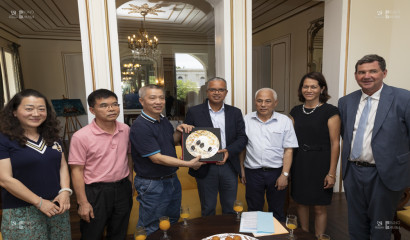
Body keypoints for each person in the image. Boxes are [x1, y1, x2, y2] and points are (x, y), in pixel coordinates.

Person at [338, 54, 410, 240]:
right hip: (353, 172)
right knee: (356, 224)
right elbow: (345, 134)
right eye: (361, 72)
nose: (366, 76)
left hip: (385, 174)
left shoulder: (404, 98)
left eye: (373, 71)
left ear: (384, 73)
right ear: (355, 75)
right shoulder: (345, 102)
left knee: (381, 226)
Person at [130, 84, 205, 235]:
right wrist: (188, 164)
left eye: (161, 98)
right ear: (141, 101)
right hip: (152, 183)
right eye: (152, 98)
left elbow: (169, 143)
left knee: (171, 221)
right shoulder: (140, 126)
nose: (158, 101)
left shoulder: (162, 120)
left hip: (171, 179)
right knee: (150, 226)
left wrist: (178, 132)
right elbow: (156, 158)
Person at [0, 89, 71, 239]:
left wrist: (65, 191)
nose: (36, 113)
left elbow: (62, 165)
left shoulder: (53, 136)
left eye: (41, 109)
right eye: (29, 109)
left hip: (56, 207)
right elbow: (5, 179)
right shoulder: (4, 140)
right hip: (21, 210)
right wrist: (39, 202)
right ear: (14, 112)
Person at [69, 89, 133, 240]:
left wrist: (130, 182)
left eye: (114, 104)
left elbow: (128, 157)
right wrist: (82, 202)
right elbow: (76, 171)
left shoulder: (125, 130)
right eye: (104, 105)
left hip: (122, 188)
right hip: (95, 192)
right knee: (92, 233)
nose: (111, 109)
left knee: (119, 232)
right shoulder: (81, 136)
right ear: (92, 110)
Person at [184, 77, 248, 216]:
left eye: (221, 89)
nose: (217, 92)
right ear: (207, 92)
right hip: (205, 167)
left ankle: (229, 236)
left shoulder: (235, 112)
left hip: (229, 165)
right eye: (213, 89)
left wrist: (228, 151)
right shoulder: (194, 112)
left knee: (230, 208)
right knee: (208, 208)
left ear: (226, 92)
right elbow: (188, 139)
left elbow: (242, 138)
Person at [289, 72, 340, 236]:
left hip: (321, 163)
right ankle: (304, 235)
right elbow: (288, 140)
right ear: (301, 89)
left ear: (322, 89)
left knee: (319, 206)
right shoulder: (295, 111)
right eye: (305, 86)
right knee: (300, 203)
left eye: (313, 86)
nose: (308, 90)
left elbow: (335, 143)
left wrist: (332, 173)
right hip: (300, 162)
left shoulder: (330, 111)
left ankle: (319, 238)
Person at [239, 88, 298, 221]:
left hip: (276, 173)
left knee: (277, 211)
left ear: (275, 103)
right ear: (255, 102)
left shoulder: (284, 121)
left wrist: (285, 174)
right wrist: (242, 170)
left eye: (268, 101)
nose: (263, 105)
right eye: (259, 101)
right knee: (253, 211)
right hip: (252, 172)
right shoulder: (246, 120)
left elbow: (289, 150)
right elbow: (242, 147)